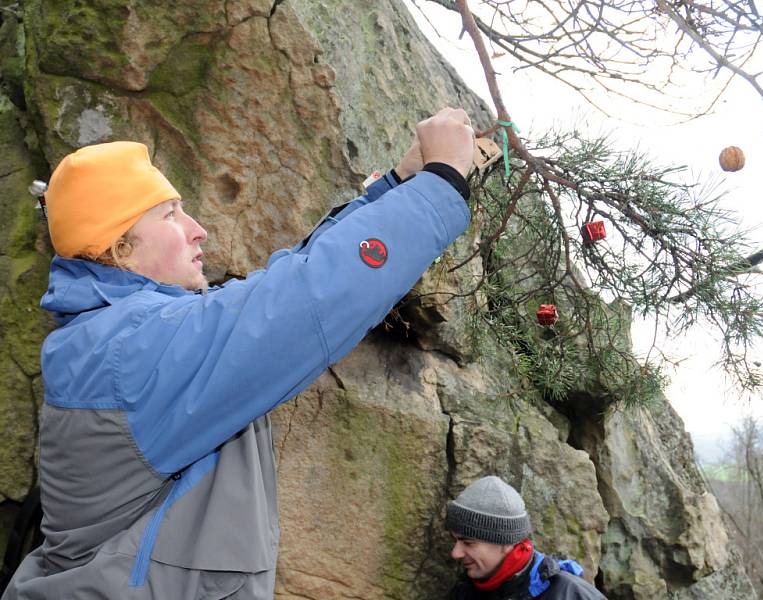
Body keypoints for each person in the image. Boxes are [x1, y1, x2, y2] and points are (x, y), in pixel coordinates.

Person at [2, 107, 474, 599]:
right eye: (170, 214)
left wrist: (398, 185)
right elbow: (303, 300)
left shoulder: (115, 339)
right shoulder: (130, 350)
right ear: (119, 246)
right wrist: (438, 185)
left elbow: (283, 284)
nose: (197, 228)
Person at [445, 476, 607, 600]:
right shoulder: (465, 592)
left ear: (505, 542)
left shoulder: (570, 594)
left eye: (468, 543)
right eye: (455, 540)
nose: (455, 553)